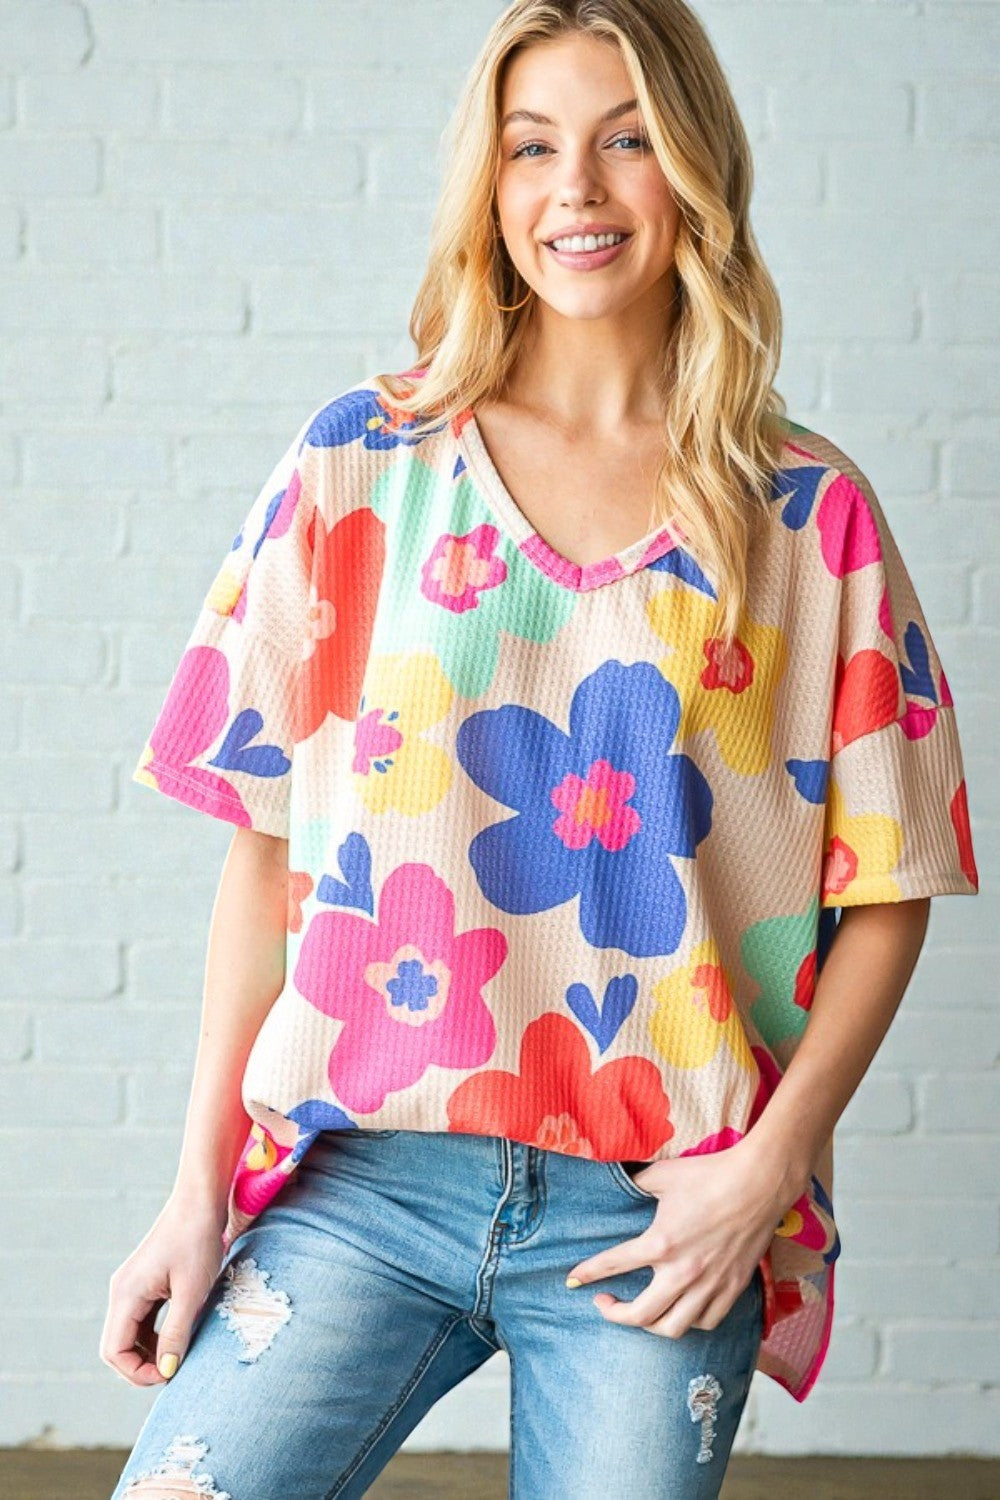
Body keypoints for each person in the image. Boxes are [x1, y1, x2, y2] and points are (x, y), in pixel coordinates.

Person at [101, 2, 980, 1497]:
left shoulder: (806, 517)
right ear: (489, 186)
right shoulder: (361, 464)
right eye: (533, 147)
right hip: (363, 1178)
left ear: (691, 174)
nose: (575, 188)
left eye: (625, 139)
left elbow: (887, 883)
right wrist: (192, 1194)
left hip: (652, 1211)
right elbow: (269, 861)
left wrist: (764, 1174)